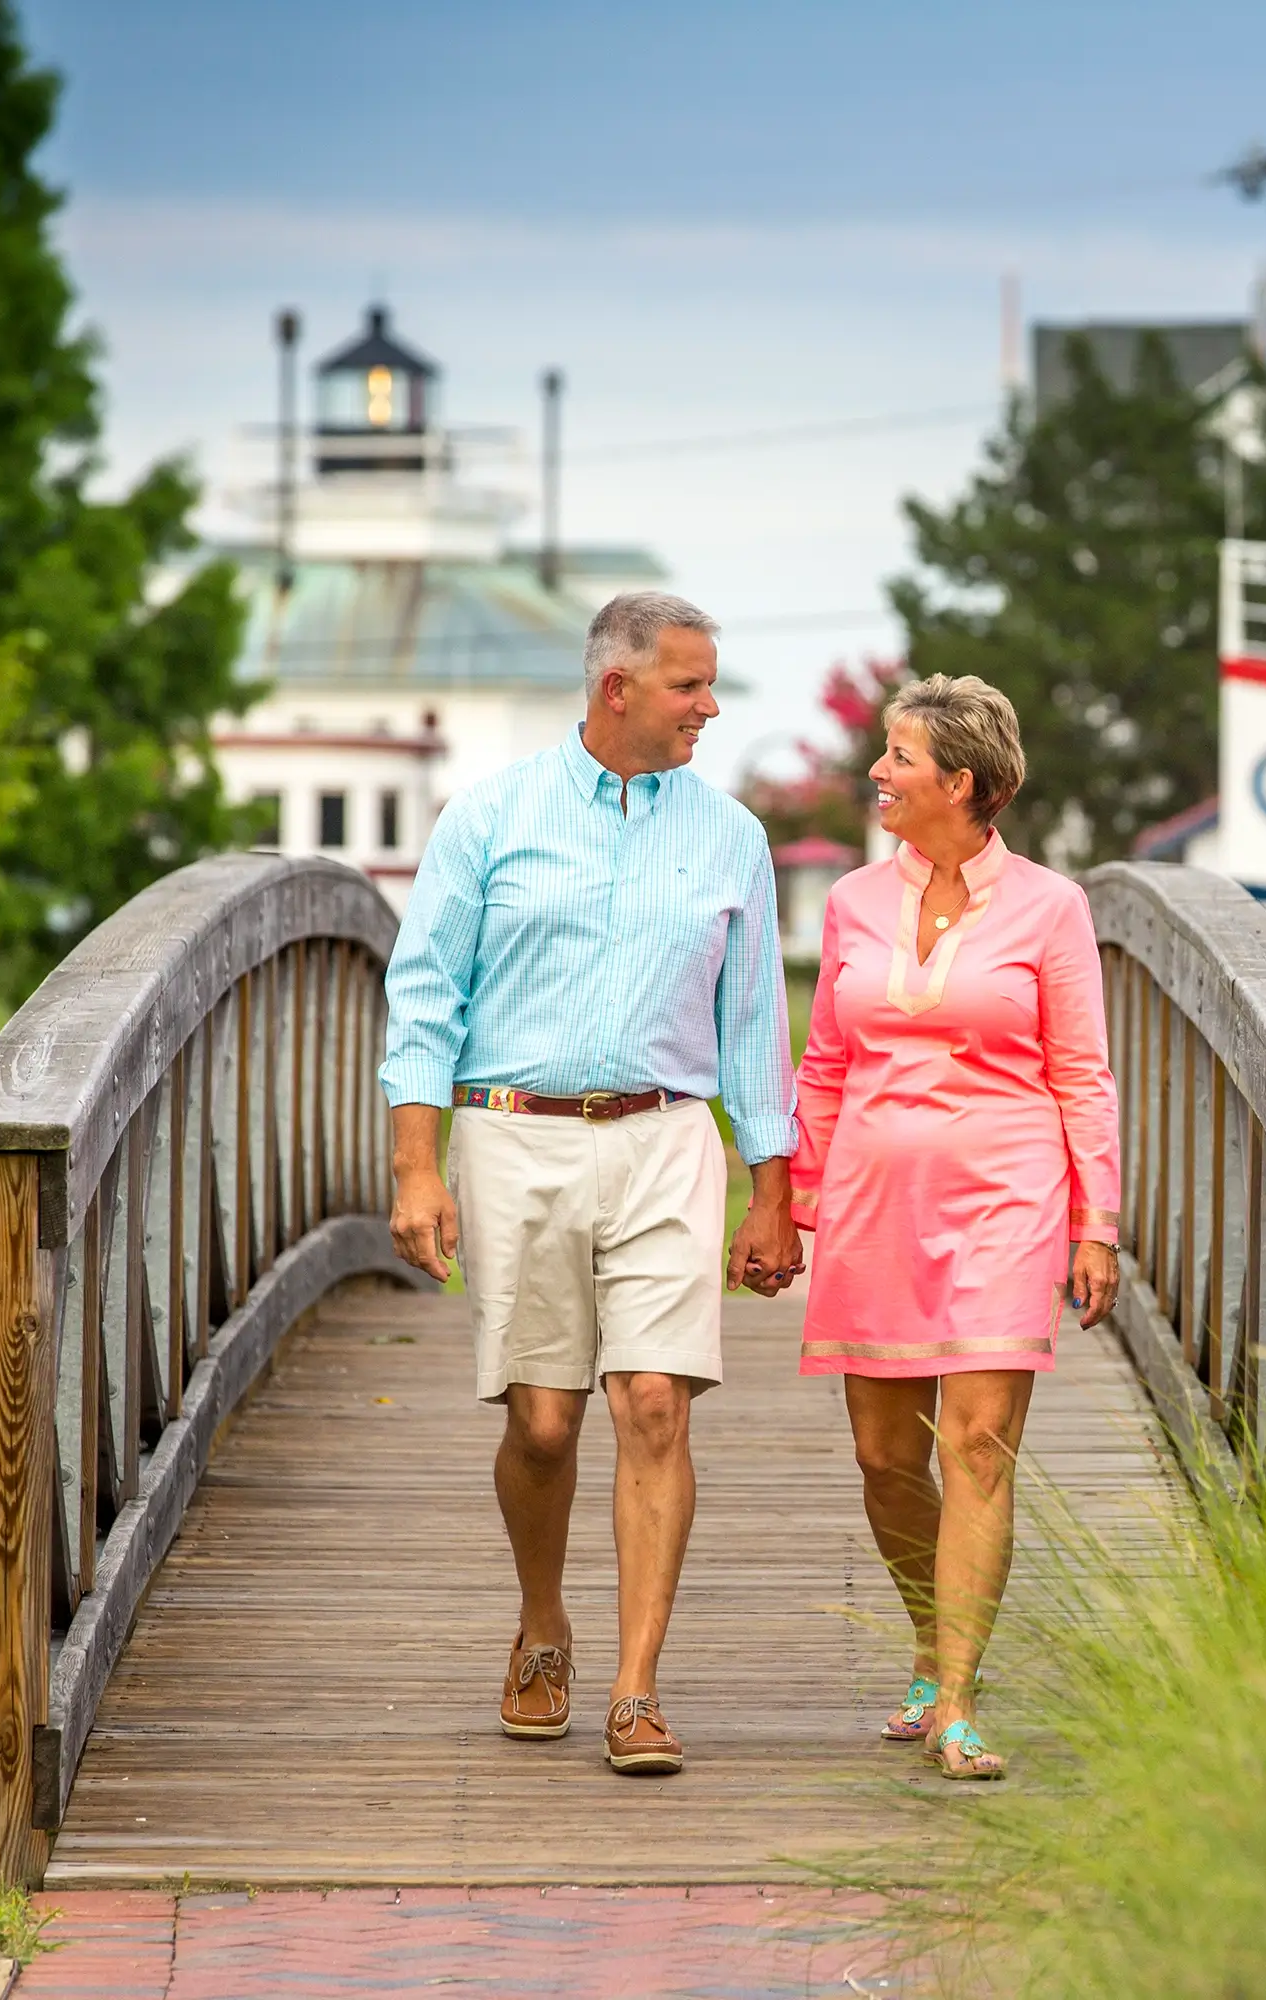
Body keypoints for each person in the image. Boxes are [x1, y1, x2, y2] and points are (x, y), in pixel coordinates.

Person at [380, 590, 802, 1780]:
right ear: (617, 686)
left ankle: (636, 1687)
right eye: (689, 686)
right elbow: (425, 1000)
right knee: (546, 1419)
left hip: (668, 1137)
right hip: (515, 1136)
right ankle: (544, 1622)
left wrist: (772, 1185)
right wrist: (417, 1164)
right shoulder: (489, 818)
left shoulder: (731, 836)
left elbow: (754, 1019)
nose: (710, 707)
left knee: (655, 1402)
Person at [789, 673, 1119, 1781]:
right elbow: (827, 1063)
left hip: (1007, 1197)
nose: (877, 772)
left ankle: (961, 1698)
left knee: (974, 1444)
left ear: (961, 782)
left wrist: (1096, 1220)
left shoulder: (1050, 907)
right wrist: (793, 1201)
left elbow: (1082, 1071)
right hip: (874, 1202)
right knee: (887, 1455)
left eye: (897, 756)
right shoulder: (851, 903)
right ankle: (931, 1638)